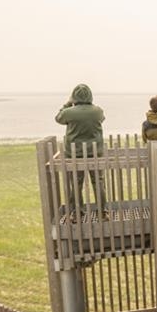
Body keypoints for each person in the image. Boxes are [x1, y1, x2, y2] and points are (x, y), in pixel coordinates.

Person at [55, 83, 107, 215]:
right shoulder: (98, 111)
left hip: (75, 153)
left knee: (76, 183)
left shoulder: (68, 112)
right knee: (98, 181)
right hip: (95, 153)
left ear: (74, 97)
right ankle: (102, 211)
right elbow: (102, 119)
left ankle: (78, 212)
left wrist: (68, 103)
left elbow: (58, 118)